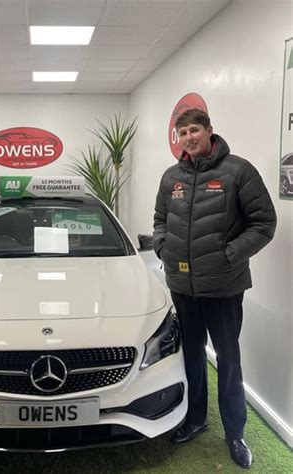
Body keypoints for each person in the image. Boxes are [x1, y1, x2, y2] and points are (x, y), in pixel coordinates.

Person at [153, 109, 276, 469]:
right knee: (191, 356)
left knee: (228, 359)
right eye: (182, 132)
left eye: (194, 130)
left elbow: (264, 222)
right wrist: (163, 247)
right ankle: (195, 419)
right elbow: (160, 219)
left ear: (209, 131)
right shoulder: (171, 177)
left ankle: (235, 433)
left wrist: (229, 256)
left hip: (223, 285)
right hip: (182, 284)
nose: (188, 137)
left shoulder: (238, 171)